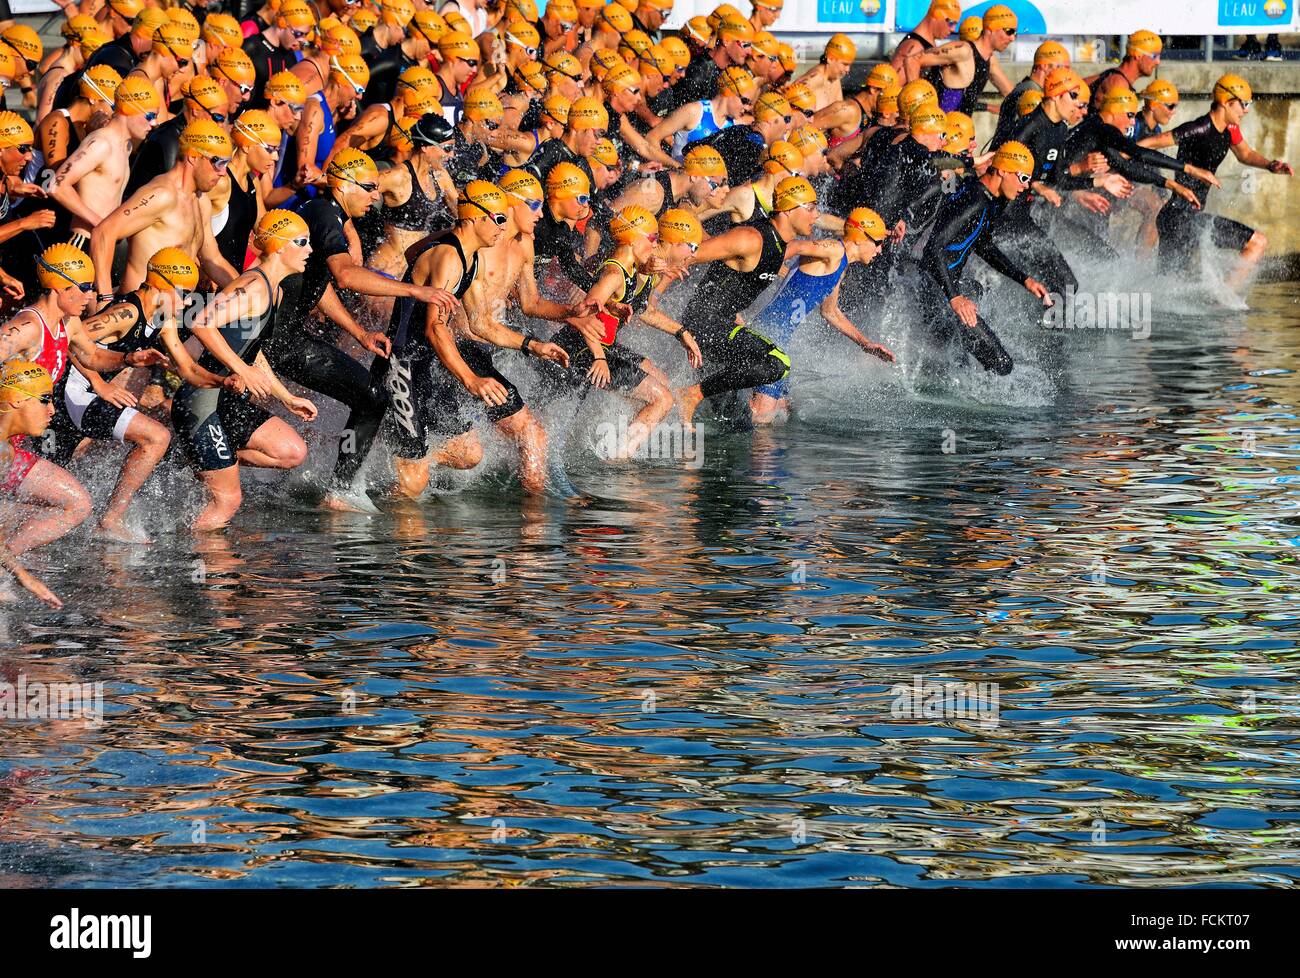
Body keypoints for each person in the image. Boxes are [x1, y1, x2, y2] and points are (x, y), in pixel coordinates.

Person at [265, 148, 457, 511]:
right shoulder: (324, 214)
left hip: (285, 335)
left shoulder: (328, 214)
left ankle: (336, 484)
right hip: (277, 339)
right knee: (371, 396)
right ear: (344, 185)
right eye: (369, 187)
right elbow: (346, 276)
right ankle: (339, 490)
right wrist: (415, 289)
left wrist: (359, 334)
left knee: (368, 396)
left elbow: (318, 286)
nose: (375, 195)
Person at [379, 179, 568, 496]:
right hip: (404, 365)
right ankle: (385, 521)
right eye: (499, 219)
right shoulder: (451, 257)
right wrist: (470, 380)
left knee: (469, 455)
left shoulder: (469, 257)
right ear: (476, 219)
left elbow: (482, 323)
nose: (503, 227)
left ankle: (399, 465)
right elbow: (435, 328)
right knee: (414, 485)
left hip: (431, 364)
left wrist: (534, 345)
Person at [41, 249, 208, 543]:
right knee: (155, 437)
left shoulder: (161, 316)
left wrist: (227, 380)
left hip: (81, 397)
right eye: (182, 293)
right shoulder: (126, 313)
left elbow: (188, 367)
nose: (185, 302)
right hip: (69, 395)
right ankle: (110, 520)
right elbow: (65, 337)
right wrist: (100, 384)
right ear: (161, 285)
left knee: (42, 494)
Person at [171, 209, 318, 531]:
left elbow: (253, 352)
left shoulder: (275, 291)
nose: (310, 249)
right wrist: (241, 369)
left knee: (291, 452)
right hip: (200, 400)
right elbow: (201, 323)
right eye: (302, 241)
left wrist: (286, 396)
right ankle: (205, 571)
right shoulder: (252, 286)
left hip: (225, 400)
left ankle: (204, 459)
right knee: (228, 501)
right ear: (279, 247)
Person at [674, 175, 826, 428]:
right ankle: (690, 394)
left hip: (721, 325)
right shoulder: (751, 238)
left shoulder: (780, 245)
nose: (816, 215)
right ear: (788, 210)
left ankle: (686, 410)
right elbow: (684, 256)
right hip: (704, 325)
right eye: (810, 207)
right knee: (777, 362)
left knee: (738, 424)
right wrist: (651, 295)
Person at [1139, 73, 1293, 291]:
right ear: (1225, 102)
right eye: (1243, 104)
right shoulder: (1198, 128)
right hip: (1179, 217)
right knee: (1257, 242)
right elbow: (1150, 143)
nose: (1246, 110)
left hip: (1180, 218)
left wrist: (1270, 165)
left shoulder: (1229, 130)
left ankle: (1215, 302)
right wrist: (1115, 158)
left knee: (1168, 290)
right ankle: (1222, 302)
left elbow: (1245, 154)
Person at [915, 141, 1051, 376]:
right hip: (935, 290)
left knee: (976, 293)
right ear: (1002, 171)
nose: (1025, 187)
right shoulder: (974, 200)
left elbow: (983, 245)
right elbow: (934, 249)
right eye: (1023, 178)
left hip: (942, 286)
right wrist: (954, 298)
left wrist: (1024, 279)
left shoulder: (991, 201)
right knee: (1002, 363)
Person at [749, 207, 896, 425]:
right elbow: (795, 246)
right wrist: (756, 263)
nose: (880, 250)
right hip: (769, 336)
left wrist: (865, 344)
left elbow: (830, 312)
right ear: (859, 238)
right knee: (761, 422)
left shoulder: (840, 264)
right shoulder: (833, 249)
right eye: (877, 242)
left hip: (779, 341)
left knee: (783, 411)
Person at [89, 118, 240, 301]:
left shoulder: (201, 201)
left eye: (226, 163)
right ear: (193, 157)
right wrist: (104, 299)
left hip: (171, 314)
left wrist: (246, 294)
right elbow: (102, 234)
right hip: (138, 311)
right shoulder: (162, 195)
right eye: (218, 163)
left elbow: (212, 259)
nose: (223, 172)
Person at [0, 360, 81, 607]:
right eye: (44, 399)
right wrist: (25, 577)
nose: (52, 410)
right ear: (16, 399)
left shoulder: (7, 449)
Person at [48, 75, 159, 246]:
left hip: (104, 240)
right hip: (84, 239)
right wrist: (100, 223)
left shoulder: (126, 145)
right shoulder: (101, 143)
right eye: (150, 116)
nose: (154, 123)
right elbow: (56, 186)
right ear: (129, 108)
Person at [899, 3, 1017, 115]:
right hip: (936, 131)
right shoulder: (963, 50)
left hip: (960, 132)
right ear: (990, 29)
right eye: (1009, 31)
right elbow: (912, 61)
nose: (1012, 38)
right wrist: (917, 110)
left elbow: (1011, 95)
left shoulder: (990, 60)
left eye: (1015, 33)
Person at [891, 0, 959, 85]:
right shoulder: (914, 46)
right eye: (951, 23)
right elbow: (890, 91)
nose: (953, 29)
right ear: (937, 15)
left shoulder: (927, 43)